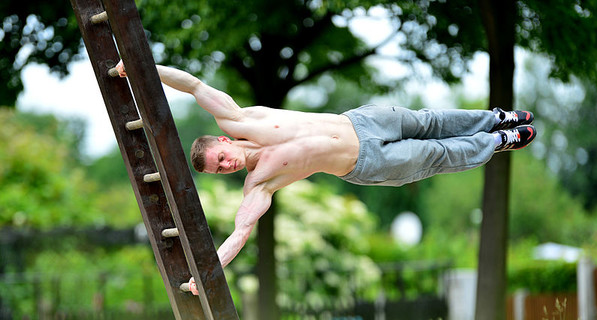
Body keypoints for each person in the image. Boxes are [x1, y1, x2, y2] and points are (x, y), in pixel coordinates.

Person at [116, 62, 535, 294]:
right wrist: (205, 274)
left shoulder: (241, 117)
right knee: (434, 153)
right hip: (366, 163)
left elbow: (192, 84)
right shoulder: (259, 184)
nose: (226, 166)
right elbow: (240, 233)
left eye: (221, 157)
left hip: (362, 121)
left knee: (429, 122)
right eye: (219, 169)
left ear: (223, 139)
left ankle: (495, 118)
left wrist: (137, 67)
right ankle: (499, 141)